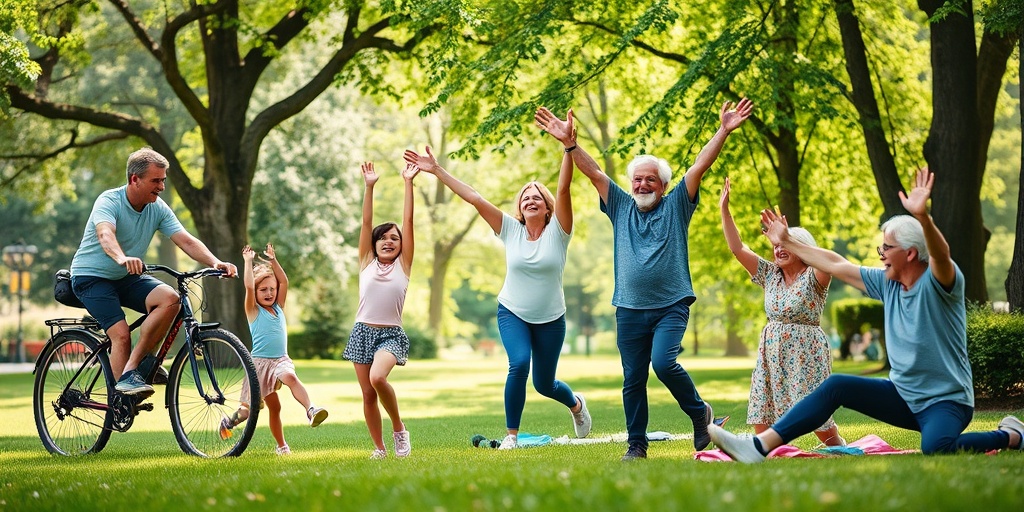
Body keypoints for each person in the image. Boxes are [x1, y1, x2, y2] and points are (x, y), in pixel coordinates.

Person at [709, 168, 1024, 462]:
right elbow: (836, 264)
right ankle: (759, 447)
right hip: (902, 396)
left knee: (936, 447)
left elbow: (941, 255)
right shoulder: (886, 283)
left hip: (945, 401)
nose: (881, 254)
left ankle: (1010, 435)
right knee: (838, 385)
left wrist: (923, 218)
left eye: (886, 248)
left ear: (910, 254)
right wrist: (787, 239)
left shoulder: (941, 284)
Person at [536, 98, 755, 460]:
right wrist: (570, 144)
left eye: (649, 179)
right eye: (637, 179)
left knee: (664, 363)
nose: (641, 184)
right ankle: (636, 445)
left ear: (663, 185)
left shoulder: (677, 205)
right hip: (629, 308)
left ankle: (699, 413)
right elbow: (592, 172)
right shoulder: (620, 205)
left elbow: (700, 165)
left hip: (671, 305)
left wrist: (723, 130)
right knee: (633, 379)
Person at [402, 108, 592, 451]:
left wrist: (568, 147)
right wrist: (437, 170)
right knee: (518, 364)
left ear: (547, 208)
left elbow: (564, 189)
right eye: (525, 197)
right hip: (513, 311)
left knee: (544, 383)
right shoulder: (509, 229)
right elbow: (474, 197)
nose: (531, 199)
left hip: (551, 318)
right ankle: (511, 437)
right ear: (520, 207)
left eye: (537, 197)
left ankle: (576, 405)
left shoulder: (559, 232)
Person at [70, 147, 237, 396]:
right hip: (91, 277)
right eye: (156, 180)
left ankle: (138, 366)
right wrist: (122, 257)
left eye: (163, 180)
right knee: (121, 335)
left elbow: (187, 241)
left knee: (171, 300)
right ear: (134, 179)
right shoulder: (109, 201)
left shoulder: (157, 207)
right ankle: (121, 391)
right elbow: (105, 234)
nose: (161, 187)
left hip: (124, 277)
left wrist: (214, 262)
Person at [718, 176, 844, 447]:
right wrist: (725, 211)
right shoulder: (770, 274)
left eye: (785, 244)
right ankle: (760, 451)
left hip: (805, 352)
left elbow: (829, 261)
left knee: (815, 415)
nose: (778, 249)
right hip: (772, 350)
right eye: (775, 244)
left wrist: (790, 237)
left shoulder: (815, 276)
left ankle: (838, 447)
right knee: (763, 412)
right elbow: (737, 248)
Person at [218, 243, 328, 454]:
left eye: (272, 289)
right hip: (258, 366)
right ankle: (228, 422)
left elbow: (284, 280)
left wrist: (273, 261)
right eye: (264, 290)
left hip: (280, 361)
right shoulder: (253, 310)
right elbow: (249, 286)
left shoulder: (278, 307)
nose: (269, 293)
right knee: (248, 411)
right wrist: (248, 262)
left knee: (291, 377)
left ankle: (310, 411)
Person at [344, 161, 418, 459]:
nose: (388, 241)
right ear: (374, 244)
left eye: (394, 238)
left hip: (390, 334)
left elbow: (408, 221)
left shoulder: (404, 265)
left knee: (377, 378)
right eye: (383, 237)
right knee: (367, 394)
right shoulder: (366, 262)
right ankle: (379, 448)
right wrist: (369, 187)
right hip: (362, 331)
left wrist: (408, 183)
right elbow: (365, 224)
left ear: (401, 246)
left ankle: (399, 429)